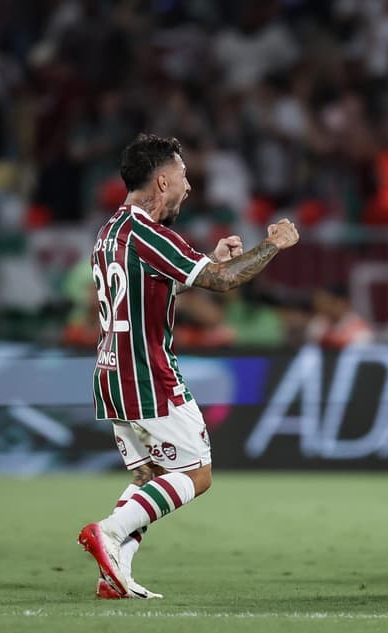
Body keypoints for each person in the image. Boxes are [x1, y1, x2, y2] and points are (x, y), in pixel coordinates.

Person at [77, 133, 300, 599]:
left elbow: (149, 289)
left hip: (110, 374)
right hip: (149, 376)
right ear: (162, 181)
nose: (189, 187)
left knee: (150, 479)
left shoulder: (110, 232)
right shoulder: (149, 233)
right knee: (198, 475)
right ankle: (110, 533)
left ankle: (111, 573)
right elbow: (226, 281)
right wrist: (273, 244)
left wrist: (206, 264)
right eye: (183, 177)